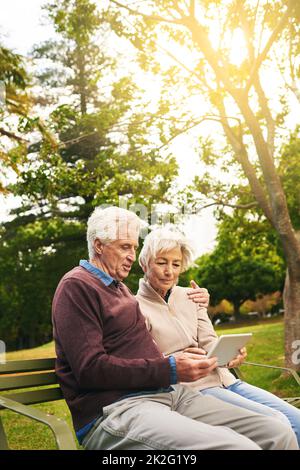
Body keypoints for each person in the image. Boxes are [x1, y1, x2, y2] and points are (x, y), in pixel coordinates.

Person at [52, 206, 298, 450]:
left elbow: (144, 354)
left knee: (277, 431)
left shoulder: (120, 290)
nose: (130, 255)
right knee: (239, 447)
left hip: (168, 395)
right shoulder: (77, 286)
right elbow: (90, 369)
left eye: (133, 247)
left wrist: (186, 361)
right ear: (98, 246)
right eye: (124, 247)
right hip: (116, 409)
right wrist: (170, 367)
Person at [136, 226, 300, 447]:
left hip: (226, 379)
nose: (170, 271)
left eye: (176, 264)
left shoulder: (192, 296)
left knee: (296, 420)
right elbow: (150, 362)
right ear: (144, 263)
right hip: (195, 390)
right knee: (276, 423)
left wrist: (232, 353)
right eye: (161, 262)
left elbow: (209, 339)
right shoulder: (135, 308)